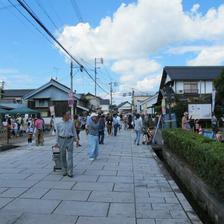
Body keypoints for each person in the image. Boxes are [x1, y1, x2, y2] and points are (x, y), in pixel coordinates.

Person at [55, 110, 77, 177]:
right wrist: (56, 142)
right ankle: (64, 170)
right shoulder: (58, 123)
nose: (69, 116)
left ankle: (70, 172)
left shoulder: (71, 122)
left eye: (69, 114)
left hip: (70, 139)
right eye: (68, 114)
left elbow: (74, 131)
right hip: (62, 140)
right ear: (64, 115)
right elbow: (57, 133)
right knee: (63, 156)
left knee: (70, 156)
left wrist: (76, 139)